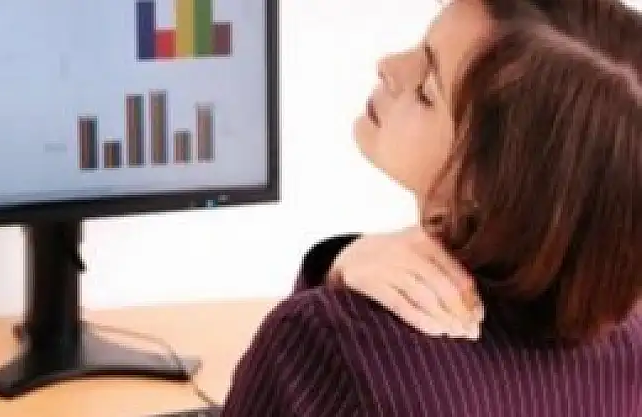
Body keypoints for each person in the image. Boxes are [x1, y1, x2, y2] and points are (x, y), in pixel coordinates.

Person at [221, 0, 642, 415]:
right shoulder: (631, 345)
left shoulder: (328, 344)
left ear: (492, 183)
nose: (388, 66)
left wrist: (325, 301)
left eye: (426, 91)